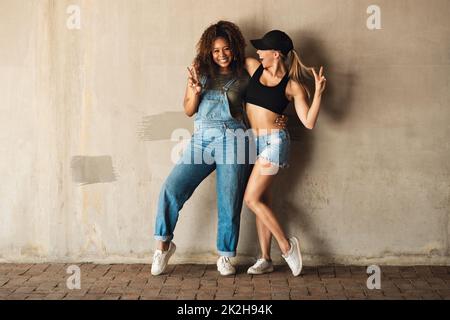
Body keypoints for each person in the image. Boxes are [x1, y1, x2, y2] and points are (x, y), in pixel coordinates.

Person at [151, 21, 285, 276]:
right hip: (202, 139)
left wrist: (279, 115)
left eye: (226, 49)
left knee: (229, 198)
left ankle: (225, 256)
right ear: (208, 52)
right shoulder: (199, 71)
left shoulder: (246, 71)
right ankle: (163, 246)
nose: (221, 55)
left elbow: (273, 88)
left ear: (234, 47)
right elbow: (189, 110)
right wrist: (194, 91)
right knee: (172, 188)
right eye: (215, 50)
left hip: (234, 140)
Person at [243, 30, 327, 276]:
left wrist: (319, 93)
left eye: (262, 49)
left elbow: (309, 122)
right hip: (254, 143)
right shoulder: (252, 67)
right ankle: (265, 259)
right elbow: (224, 63)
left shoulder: (292, 86)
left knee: (251, 199)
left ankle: (287, 246)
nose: (257, 53)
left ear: (276, 54)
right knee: (262, 200)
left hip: (274, 143)